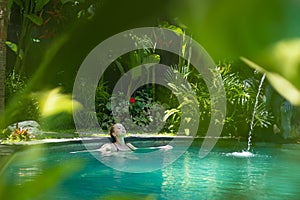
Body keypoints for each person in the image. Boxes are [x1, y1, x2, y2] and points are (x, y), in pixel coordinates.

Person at [99, 123, 173, 154]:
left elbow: (143, 150)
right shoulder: (111, 147)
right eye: (119, 128)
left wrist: (162, 147)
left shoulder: (129, 145)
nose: (122, 129)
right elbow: (99, 151)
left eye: (123, 128)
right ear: (114, 133)